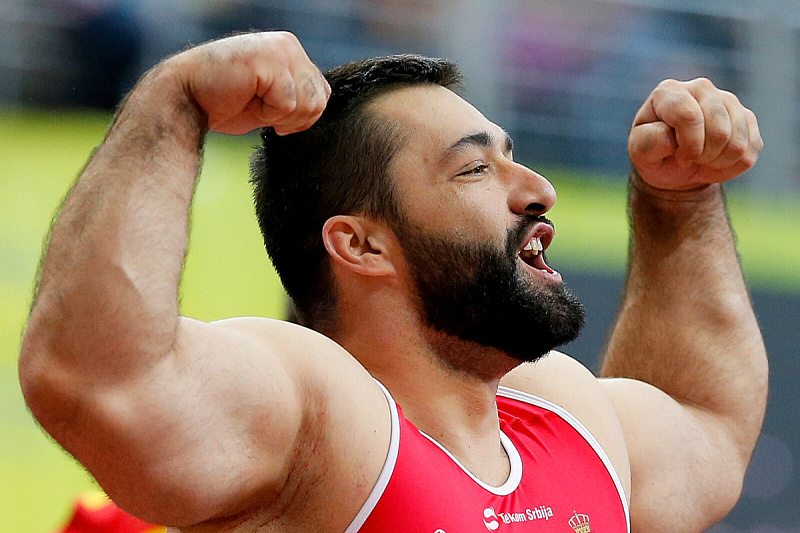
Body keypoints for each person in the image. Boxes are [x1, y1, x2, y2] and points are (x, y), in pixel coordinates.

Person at [19, 31, 767, 533]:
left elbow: (709, 423)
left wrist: (681, 197)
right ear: (361, 243)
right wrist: (173, 102)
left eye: (513, 157)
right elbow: (97, 380)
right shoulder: (326, 420)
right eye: (476, 168)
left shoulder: (569, 416)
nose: (539, 189)